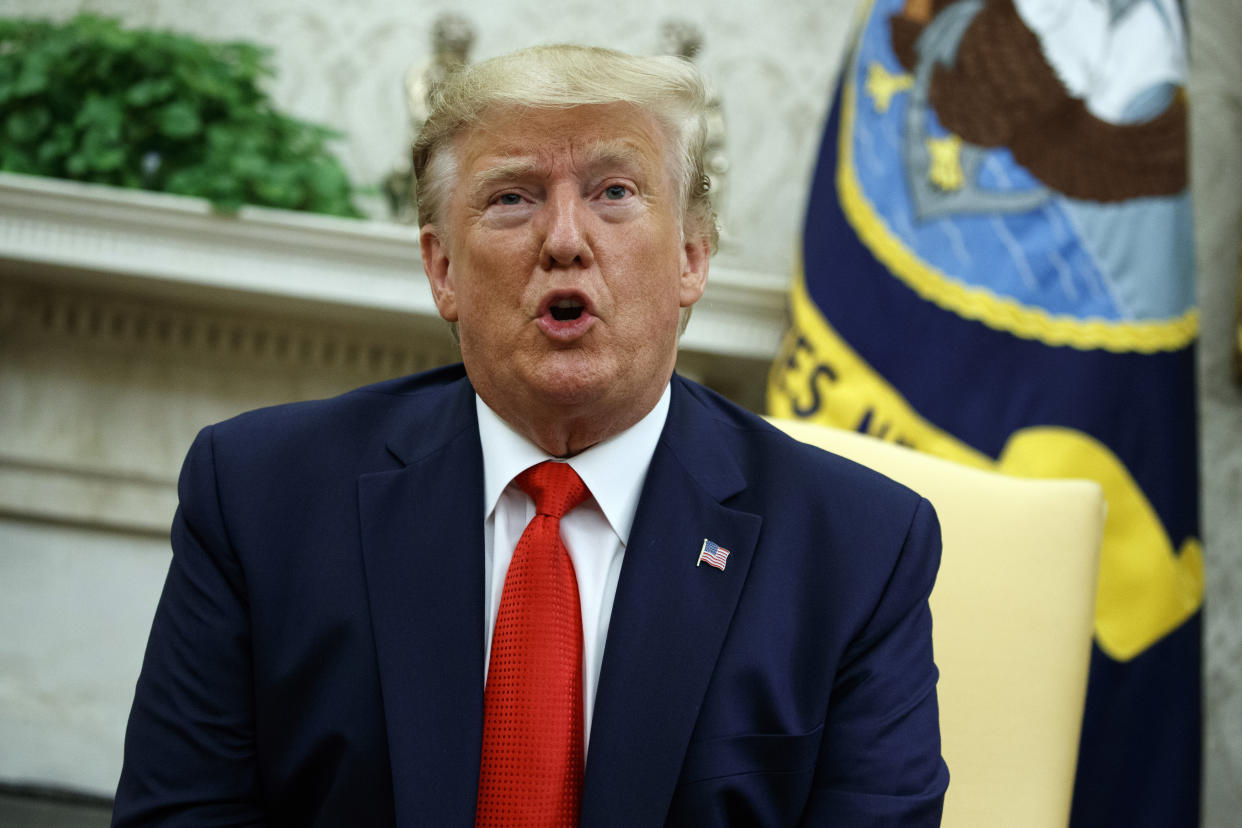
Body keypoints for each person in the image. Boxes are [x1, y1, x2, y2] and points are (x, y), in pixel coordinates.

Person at [113, 44, 949, 826]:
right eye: (512, 197)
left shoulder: (857, 551)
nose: (564, 240)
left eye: (614, 192)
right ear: (443, 269)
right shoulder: (261, 497)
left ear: (692, 255)